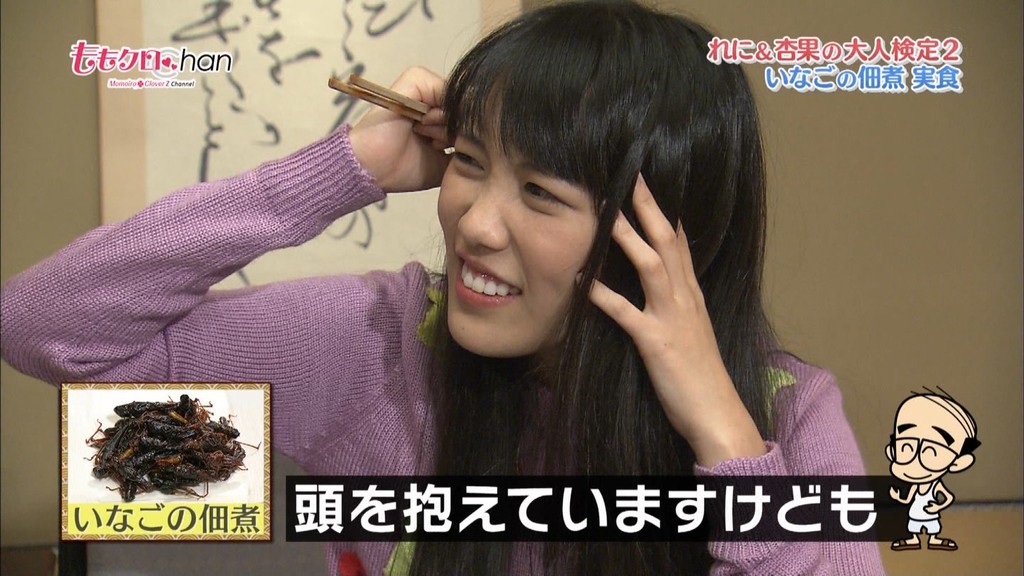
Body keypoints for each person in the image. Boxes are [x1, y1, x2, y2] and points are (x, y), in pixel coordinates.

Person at [1, 1, 883, 574]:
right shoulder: (379, 342)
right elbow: (42, 327)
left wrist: (724, 440)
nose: (475, 223)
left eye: (540, 192)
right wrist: (343, 169)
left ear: (665, 235)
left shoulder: (785, 414)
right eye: (469, 161)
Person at [887, 391, 979, 552]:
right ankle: (914, 539)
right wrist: (898, 498)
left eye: (931, 452)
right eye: (906, 447)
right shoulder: (915, 485)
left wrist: (937, 507)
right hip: (915, 512)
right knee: (914, 527)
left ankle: (934, 539)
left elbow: (948, 497)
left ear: (958, 462)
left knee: (932, 528)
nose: (916, 461)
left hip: (928, 513)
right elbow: (907, 498)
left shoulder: (935, 484)